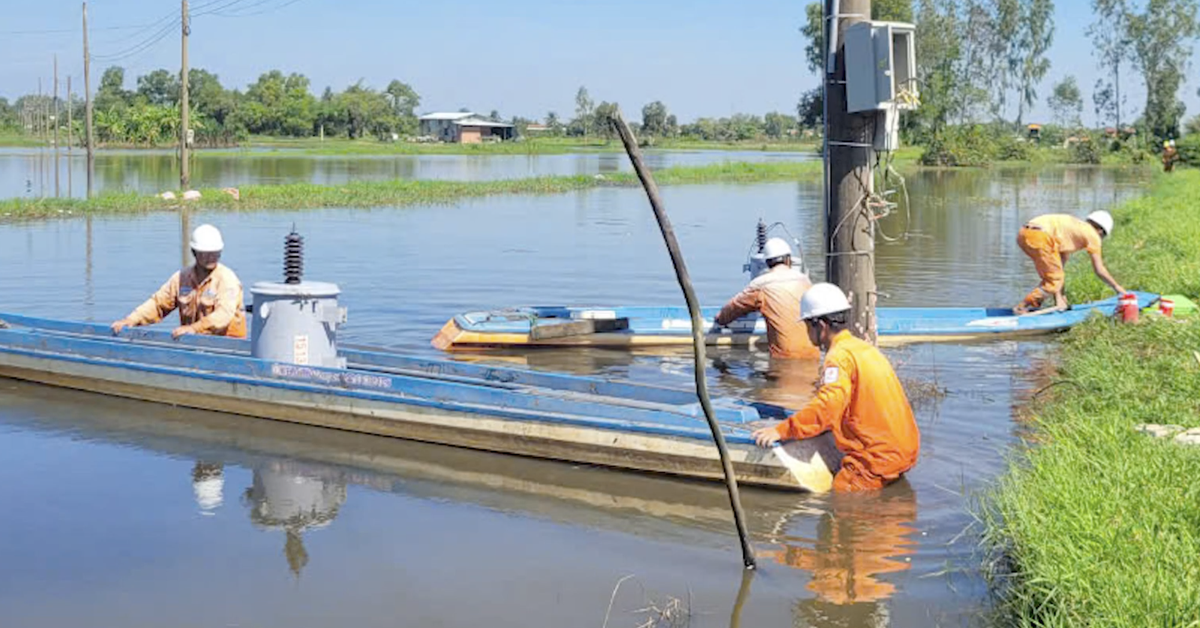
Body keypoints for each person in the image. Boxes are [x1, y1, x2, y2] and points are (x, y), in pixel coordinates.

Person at [751, 283, 920, 492]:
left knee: (841, 501)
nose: (806, 332)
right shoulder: (864, 349)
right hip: (906, 448)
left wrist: (782, 430)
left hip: (878, 457)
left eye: (806, 326)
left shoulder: (838, 358)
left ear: (820, 325)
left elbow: (827, 408)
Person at [110, 224, 247, 339]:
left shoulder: (227, 279)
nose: (211, 257)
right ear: (194, 252)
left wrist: (194, 328)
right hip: (194, 345)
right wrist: (131, 320)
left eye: (215, 252)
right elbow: (158, 303)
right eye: (206, 253)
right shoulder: (182, 277)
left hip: (228, 348)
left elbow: (223, 316)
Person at [715, 237, 817, 358]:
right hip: (813, 355)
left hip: (784, 358)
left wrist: (719, 319)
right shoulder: (805, 281)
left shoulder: (761, 285)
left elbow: (732, 309)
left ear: (767, 263)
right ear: (789, 260)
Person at [1013, 210, 1124, 315]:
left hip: (1024, 233)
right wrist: (1118, 289)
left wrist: (1060, 298)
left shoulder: (1072, 231)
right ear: (1100, 230)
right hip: (1040, 237)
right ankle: (1022, 307)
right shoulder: (1093, 235)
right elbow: (1099, 270)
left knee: (1053, 278)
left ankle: (1035, 305)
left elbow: (1059, 270)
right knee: (1053, 280)